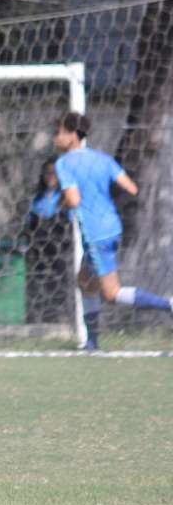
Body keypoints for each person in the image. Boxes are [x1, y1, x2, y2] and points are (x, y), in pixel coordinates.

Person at [52, 111, 171, 350]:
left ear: (73, 135)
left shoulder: (64, 163)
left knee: (111, 293)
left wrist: (61, 204)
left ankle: (167, 305)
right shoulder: (102, 159)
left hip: (95, 233)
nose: (56, 137)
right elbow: (131, 188)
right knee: (85, 280)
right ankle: (92, 343)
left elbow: (73, 200)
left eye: (60, 132)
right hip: (112, 226)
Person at [20, 159, 72, 324]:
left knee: (58, 280)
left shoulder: (65, 198)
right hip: (39, 248)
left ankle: (59, 316)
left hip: (59, 248)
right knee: (38, 280)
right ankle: (38, 316)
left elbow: (72, 223)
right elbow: (28, 224)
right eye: (47, 173)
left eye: (54, 173)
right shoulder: (36, 199)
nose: (50, 176)